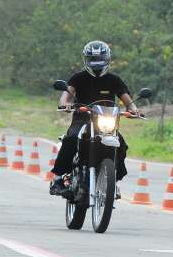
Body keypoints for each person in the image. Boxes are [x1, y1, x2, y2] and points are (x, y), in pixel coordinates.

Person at [49, 41, 140, 198]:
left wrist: (134, 111)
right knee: (71, 139)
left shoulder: (114, 80)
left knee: (121, 145)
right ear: (86, 59)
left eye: (100, 59)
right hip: (82, 120)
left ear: (107, 59)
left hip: (107, 122)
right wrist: (66, 105)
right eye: (93, 59)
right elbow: (65, 98)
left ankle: (113, 182)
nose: (96, 63)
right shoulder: (78, 78)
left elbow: (128, 102)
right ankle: (57, 179)